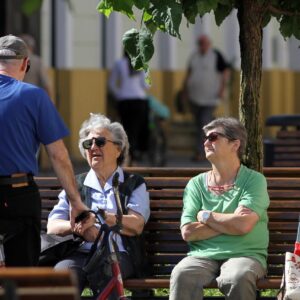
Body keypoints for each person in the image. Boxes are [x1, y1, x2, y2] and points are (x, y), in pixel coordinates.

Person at [0, 34, 86, 266]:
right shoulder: (33, 96)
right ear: (26, 64)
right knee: (22, 274)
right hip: (17, 193)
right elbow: (58, 155)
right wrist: (75, 201)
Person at [47, 113, 150, 298]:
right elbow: (52, 225)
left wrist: (99, 218)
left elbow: (136, 224)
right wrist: (79, 227)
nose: (93, 147)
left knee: (106, 273)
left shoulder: (133, 182)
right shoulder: (75, 184)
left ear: (118, 149)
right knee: (62, 277)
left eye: (100, 142)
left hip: (116, 253)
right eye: (88, 144)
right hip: (79, 253)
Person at [169, 117, 270, 300]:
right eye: (206, 138)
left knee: (237, 276)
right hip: (202, 255)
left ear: (235, 144)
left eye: (214, 137)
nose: (206, 142)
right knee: (182, 274)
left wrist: (205, 216)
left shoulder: (254, 181)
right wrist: (230, 221)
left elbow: (243, 225)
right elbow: (188, 232)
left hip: (245, 254)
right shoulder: (196, 184)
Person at [183, 35, 229, 162]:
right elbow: (189, 73)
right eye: (200, 43)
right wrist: (185, 90)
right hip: (195, 97)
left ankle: (201, 152)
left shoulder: (216, 55)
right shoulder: (194, 56)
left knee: (203, 124)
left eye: (204, 43)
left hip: (210, 98)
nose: (202, 46)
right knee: (200, 124)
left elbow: (225, 72)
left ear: (209, 44)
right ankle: (210, 148)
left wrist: (222, 88)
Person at [108, 51, 150, 165]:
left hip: (124, 101)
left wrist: (119, 94)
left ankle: (127, 156)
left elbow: (111, 84)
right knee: (137, 129)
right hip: (139, 100)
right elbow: (146, 85)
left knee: (126, 129)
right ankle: (134, 155)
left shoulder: (119, 63)